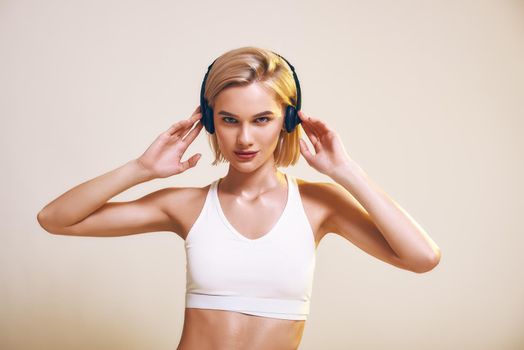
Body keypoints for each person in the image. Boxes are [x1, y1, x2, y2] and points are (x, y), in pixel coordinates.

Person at [37, 46, 441, 350]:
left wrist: (346, 171)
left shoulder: (320, 205)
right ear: (211, 122)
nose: (244, 139)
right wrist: (141, 168)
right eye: (229, 120)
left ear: (287, 119)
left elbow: (422, 258)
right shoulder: (187, 205)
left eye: (261, 119)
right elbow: (56, 218)